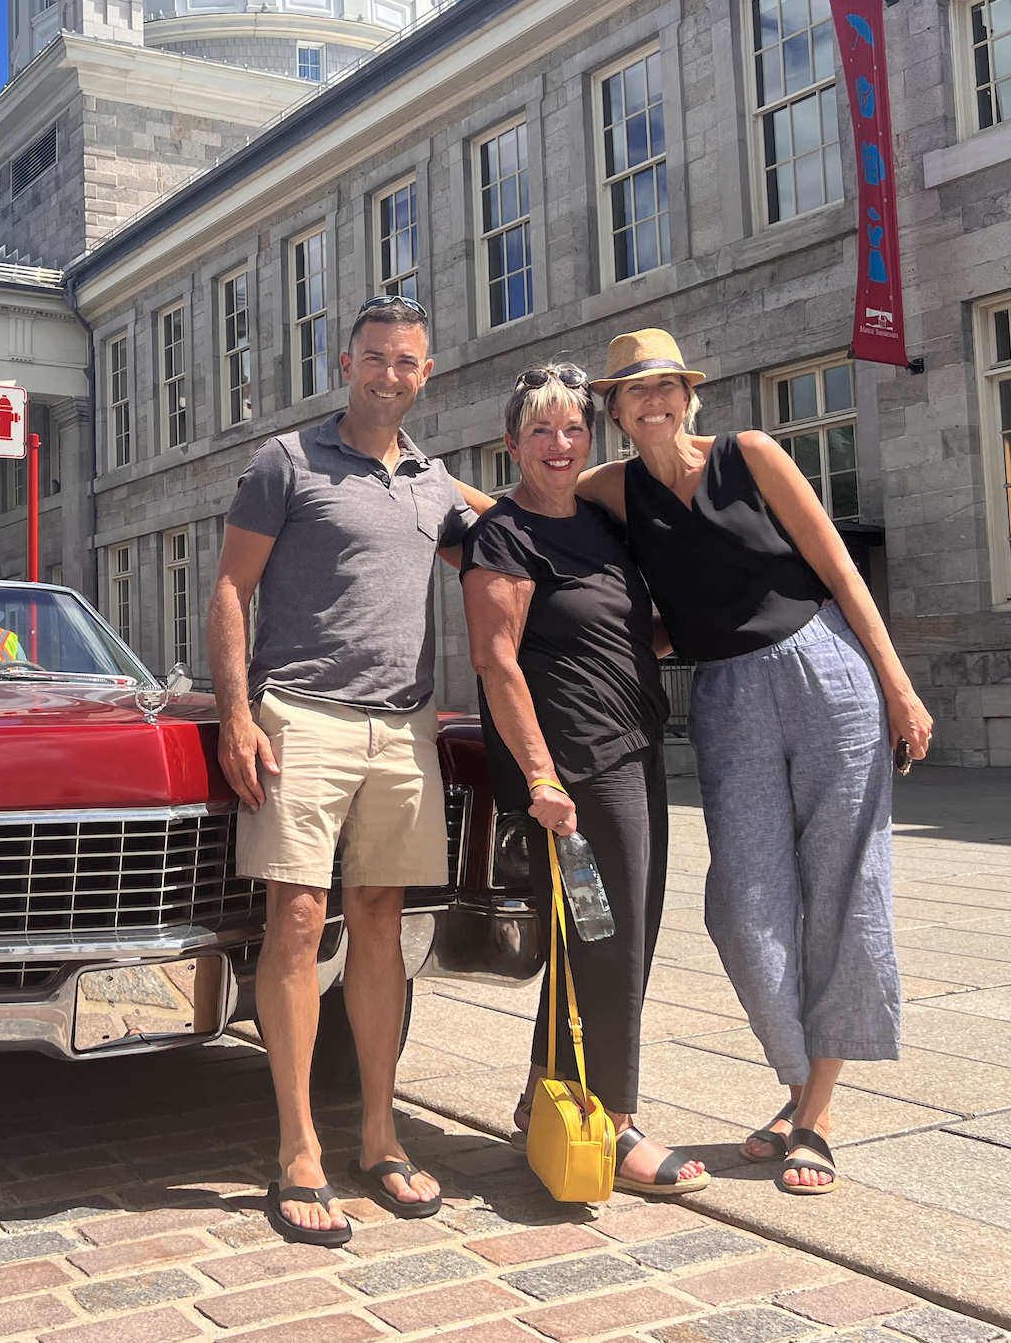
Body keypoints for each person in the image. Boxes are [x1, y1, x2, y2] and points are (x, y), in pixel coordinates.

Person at [579, 329, 933, 1196]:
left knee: (844, 882)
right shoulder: (608, 490)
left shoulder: (752, 454)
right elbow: (526, 513)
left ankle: (812, 1116)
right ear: (615, 412)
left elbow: (839, 568)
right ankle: (796, 1083)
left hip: (827, 670)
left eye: (666, 386)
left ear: (686, 395)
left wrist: (898, 684)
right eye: (634, 392)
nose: (653, 401)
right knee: (743, 904)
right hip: (726, 698)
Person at [209, 294, 489, 1246]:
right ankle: (296, 1149)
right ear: (346, 361)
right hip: (303, 719)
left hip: (404, 729)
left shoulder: (435, 483)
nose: (389, 376)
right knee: (293, 916)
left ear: (426, 372)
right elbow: (229, 591)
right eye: (375, 359)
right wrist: (238, 717)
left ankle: (379, 1136)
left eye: (407, 363)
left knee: (379, 922)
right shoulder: (286, 462)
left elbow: (527, 537)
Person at [462, 363, 708, 1196]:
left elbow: (639, 633)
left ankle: (548, 1097)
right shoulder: (503, 536)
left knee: (607, 934)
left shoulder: (604, 525)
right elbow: (496, 665)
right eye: (541, 431)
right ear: (512, 442)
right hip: (574, 770)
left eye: (573, 430)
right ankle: (617, 1119)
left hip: (635, 750)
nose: (561, 445)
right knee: (611, 941)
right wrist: (540, 776)